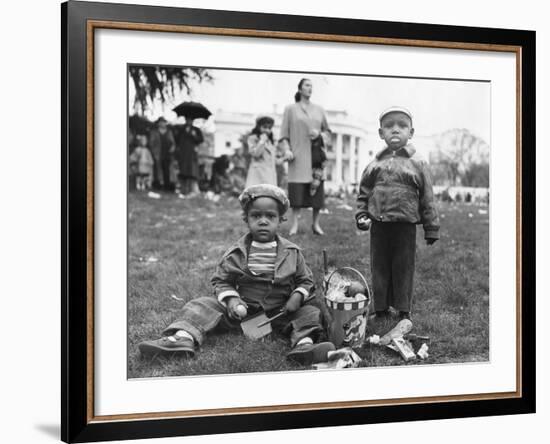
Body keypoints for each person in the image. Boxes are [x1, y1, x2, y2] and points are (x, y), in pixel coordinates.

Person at [138, 184, 335, 365]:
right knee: (201, 304)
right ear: (246, 220)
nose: (263, 221)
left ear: (280, 220)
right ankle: (182, 338)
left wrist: (297, 296)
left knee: (311, 312)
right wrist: (232, 301)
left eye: (270, 216)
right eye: (256, 216)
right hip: (242, 313)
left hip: (281, 312)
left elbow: (305, 279)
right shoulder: (237, 252)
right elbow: (221, 280)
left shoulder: (292, 252)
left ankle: (304, 344)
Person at [355, 107, 440, 321]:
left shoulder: (418, 162)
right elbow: (363, 193)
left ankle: (404, 311)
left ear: (411, 132)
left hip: (405, 226)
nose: (395, 130)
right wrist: (361, 215)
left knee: (403, 267)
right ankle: (381, 309)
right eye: (389, 126)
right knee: (379, 267)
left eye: (402, 126)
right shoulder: (375, 164)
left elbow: (427, 196)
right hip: (379, 226)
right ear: (380, 133)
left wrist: (431, 227)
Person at [279, 78, 331, 236]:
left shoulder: (319, 110)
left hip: (316, 156)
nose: (310, 88)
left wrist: (320, 135)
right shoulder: (290, 109)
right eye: (307, 85)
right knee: (297, 192)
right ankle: (294, 224)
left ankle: (316, 224)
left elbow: (328, 132)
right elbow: (283, 135)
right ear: (300, 89)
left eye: (311, 86)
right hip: (298, 155)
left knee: (317, 192)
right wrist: (287, 150)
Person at [245, 116, 278, 187]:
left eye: (269, 128)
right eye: (264, 127)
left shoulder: (270, 142)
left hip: (269, 177)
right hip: (257, 177)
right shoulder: (253, 138)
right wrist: (262, 141)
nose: (267, 130)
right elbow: (255, 154)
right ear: (258, 127)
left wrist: (284, 158)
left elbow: (274, 160)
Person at [175, 116, 204, 195]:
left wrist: (194, 135)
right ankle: (183, 189)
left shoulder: (196, 130)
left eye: (190, 120)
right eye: (187, 119)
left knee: (191, 172)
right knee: (183, 171)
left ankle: (191, 190)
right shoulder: (181, 129)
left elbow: (200, 140)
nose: (189, 121)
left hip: (191, 154)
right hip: (183, 153)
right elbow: (176, 139)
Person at [148, 117, 176, 191]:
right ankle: (157, 185)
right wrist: (153, 152)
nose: (162, 123)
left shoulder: (169, 132)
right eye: (160, 122)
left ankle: (167, 186)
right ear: (158, 123)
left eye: (163, 122)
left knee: (167, 170)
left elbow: (173, 143)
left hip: (167, 153)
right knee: (157, 170)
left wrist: (172, 148)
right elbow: (151, 143)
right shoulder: (154, 132)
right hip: (157, 153)